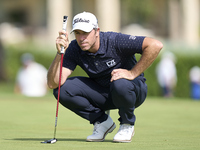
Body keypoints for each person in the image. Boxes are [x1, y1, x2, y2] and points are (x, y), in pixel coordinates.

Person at [47, 12, 163, 143]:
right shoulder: (74, 47)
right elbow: (53, 83)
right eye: (77, 33)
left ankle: (127, 124)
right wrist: (59, 53)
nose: (81, 38)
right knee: (62, 89)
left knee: (120, 83)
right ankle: (102, 122)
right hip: (104, 94)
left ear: (97, 31)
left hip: (133, 91)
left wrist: (132, 73)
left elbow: (155, 45)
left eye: (85, 32)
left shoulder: (114, 40)